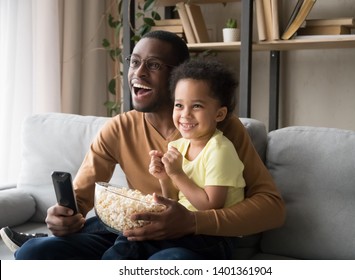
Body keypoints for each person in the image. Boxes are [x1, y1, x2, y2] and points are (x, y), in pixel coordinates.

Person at [8, 30, 285, 260]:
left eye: (153, 65)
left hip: (197, 239)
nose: (138, 73)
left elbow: (271, 208)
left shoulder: (220, 129)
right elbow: (80, 200)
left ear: (179, 76)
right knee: (34, 253)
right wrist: (64, 216)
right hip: (133, 231)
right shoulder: (119, 128)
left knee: (166, 263)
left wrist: (193, 222)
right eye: (134, 62)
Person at [101, 59, 246, 259]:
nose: (185, 114)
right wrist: (164, 177)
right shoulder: (178, 146)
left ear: (219, 114)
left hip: (214, 237)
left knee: (135, 246)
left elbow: (211, 205)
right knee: (129, 239)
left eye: (196, 106)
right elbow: (172, 200)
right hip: (183, 227)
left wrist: (176, 174)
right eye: (179, 105)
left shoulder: (220, 150)